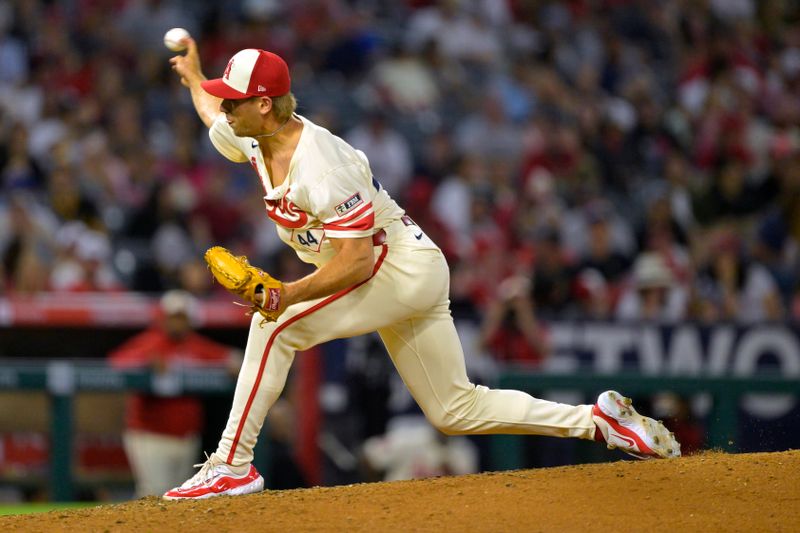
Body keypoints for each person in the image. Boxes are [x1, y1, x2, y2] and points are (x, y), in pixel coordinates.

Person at [163, 40, 681, 500]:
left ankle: (232, 464)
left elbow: (357, 260)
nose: (226, 106)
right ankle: (598, 422)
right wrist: (194, 75)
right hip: (400, 269)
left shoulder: (322, 163)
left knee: (272, 325)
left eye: (235, 98)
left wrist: (286, 294)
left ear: (264, 104)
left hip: (396, 266)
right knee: (454, 410)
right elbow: (212, 116)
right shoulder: (252, 135)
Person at [108, 290, 240, 497]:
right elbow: (116, 364)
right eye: (173, 317)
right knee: (153, 494)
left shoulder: (196, 345)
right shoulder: (150, 342)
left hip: (187, 436)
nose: (177, 323)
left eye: (182, 317)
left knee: (179, 497)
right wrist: (145, 365)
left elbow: (231, 357)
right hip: (150, 435)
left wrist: (233, 363)